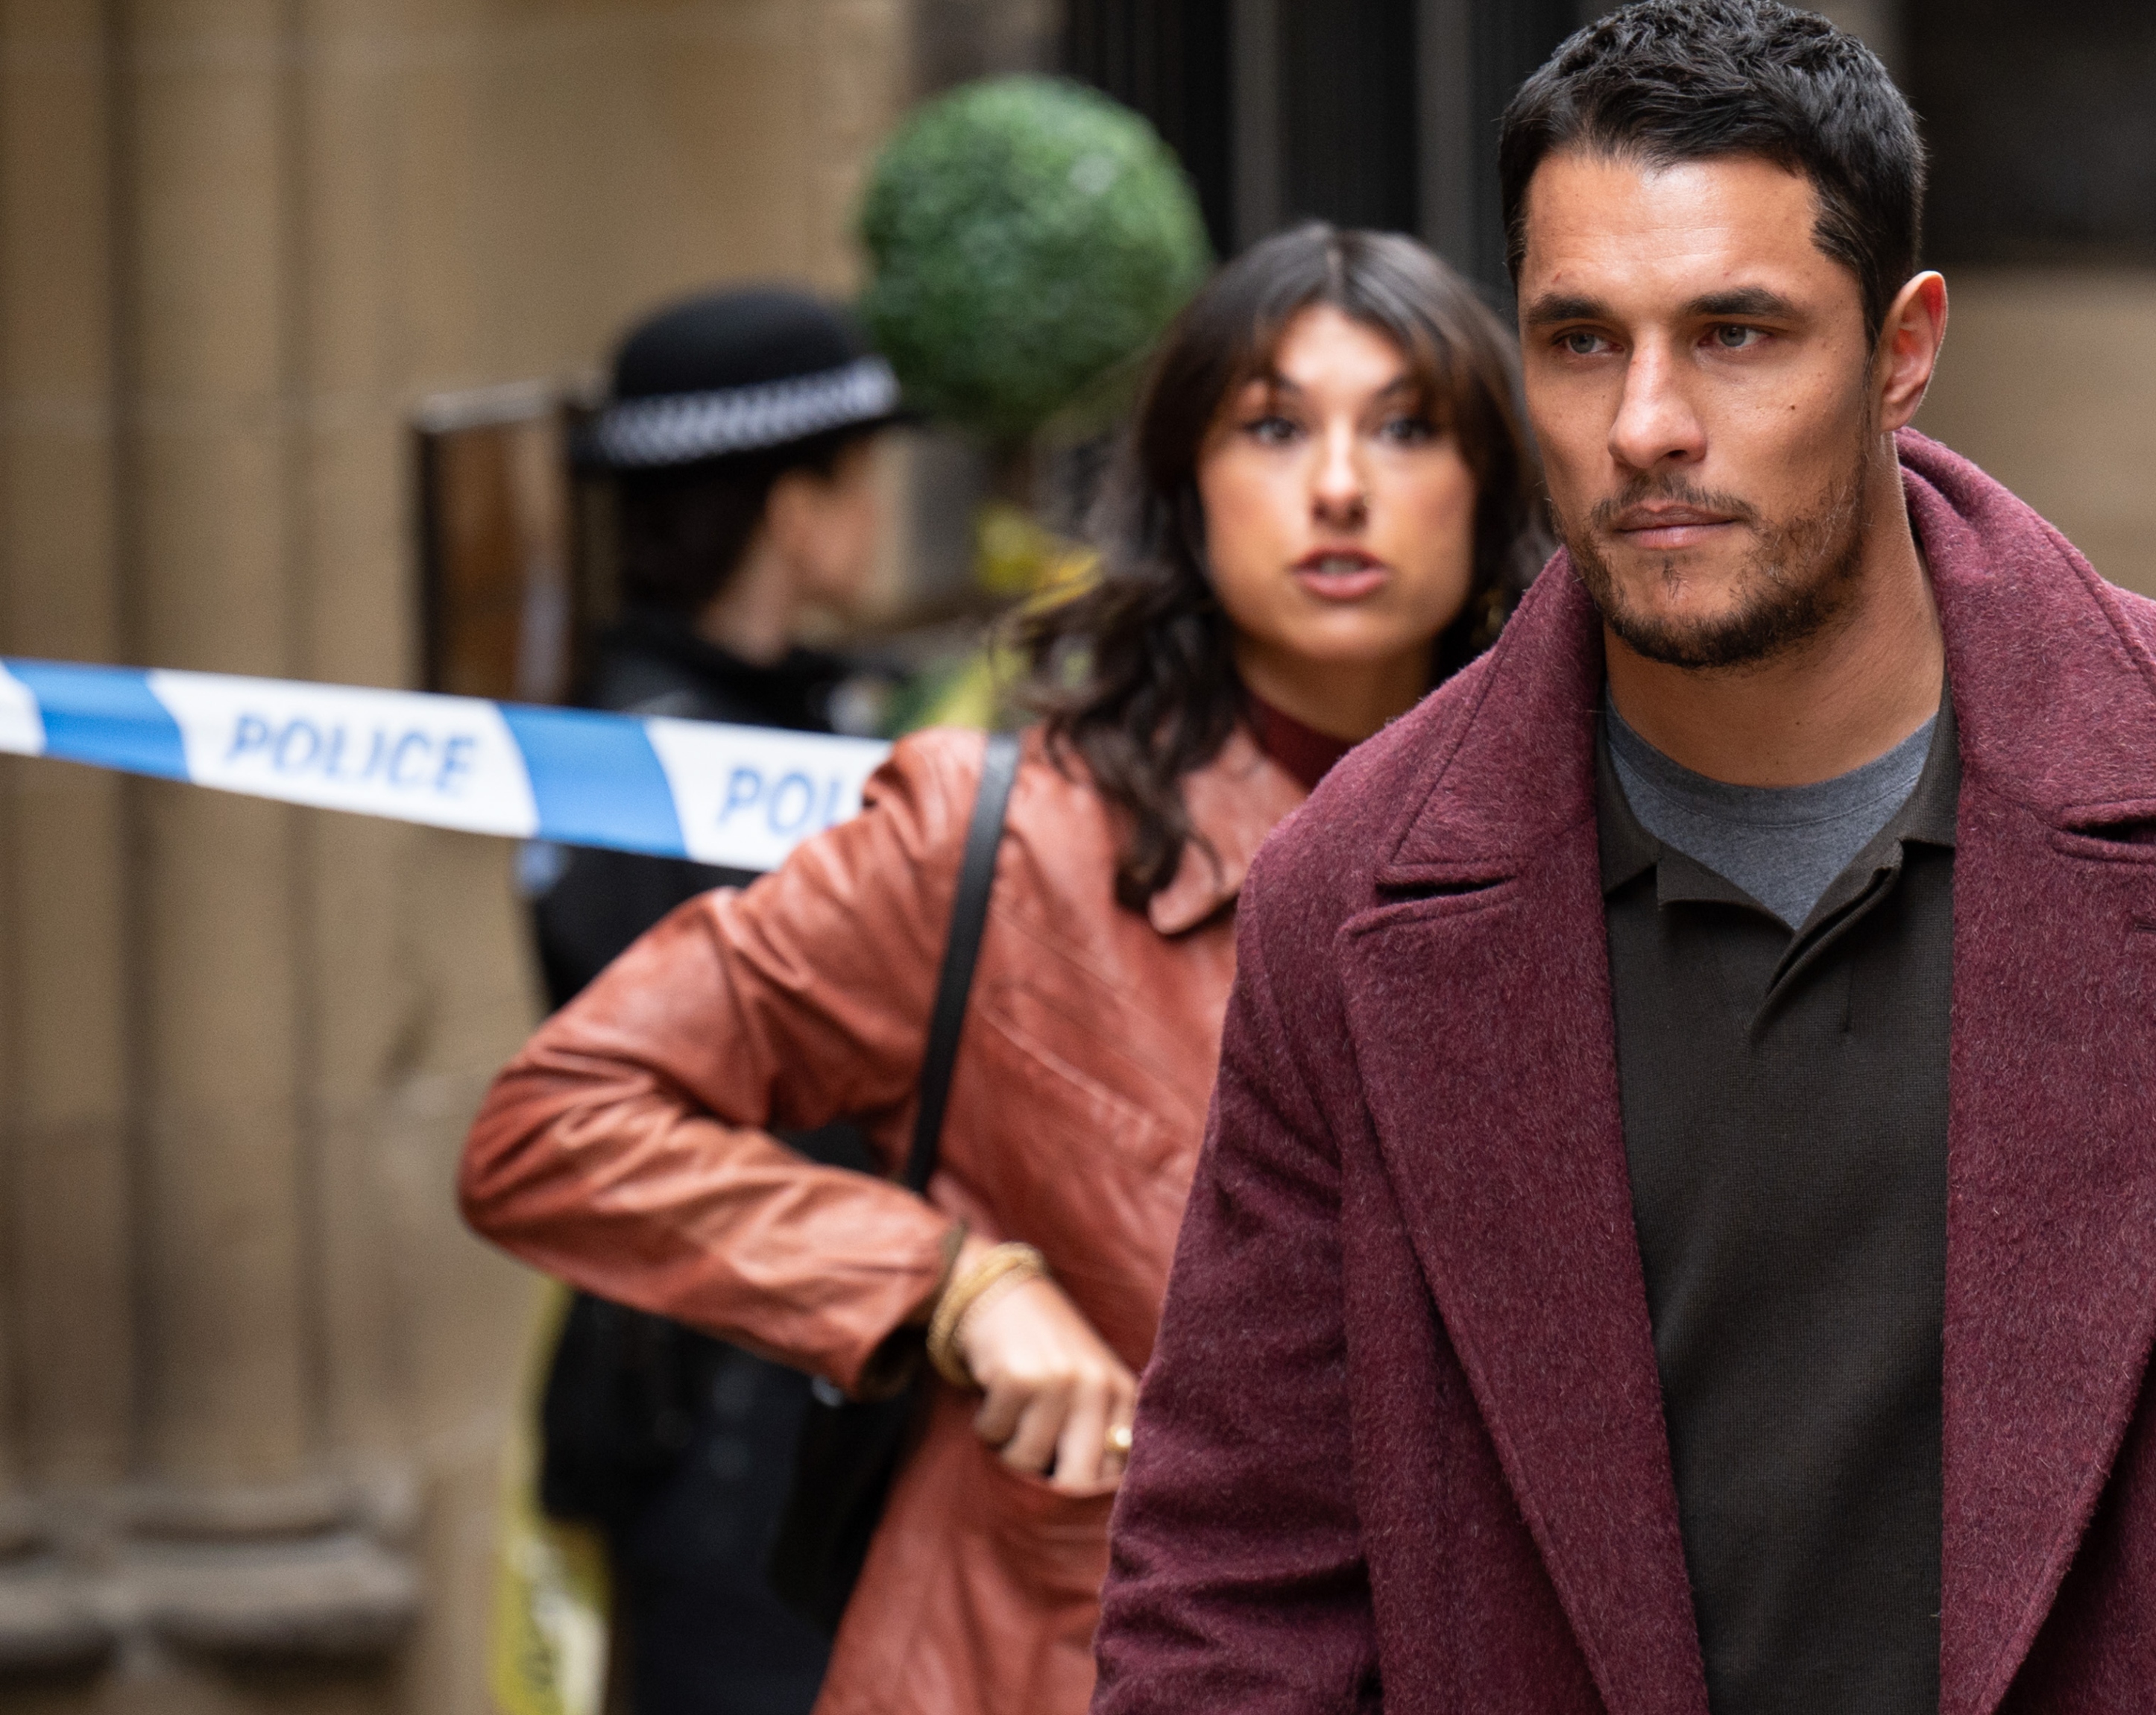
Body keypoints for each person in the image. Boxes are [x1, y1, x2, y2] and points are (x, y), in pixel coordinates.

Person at [1091, 7, 2156, 1713]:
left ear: (1901, 351)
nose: (1646, 422)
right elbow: (1231, 1597)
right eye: (1579, 342)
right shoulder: (1353, 892)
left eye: (1735, 333)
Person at [458, 224, 1542, 1715]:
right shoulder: (1008, 840)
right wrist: (949, 1283)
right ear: (1186, 487)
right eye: (1274, 427)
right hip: (1059, 1656)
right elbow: (555, 1124)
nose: (1341, 484)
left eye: (1407, 427)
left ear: (1489, 486)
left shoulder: (1587, 845)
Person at [520, 283, 903, 1715]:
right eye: (858, 477)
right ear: (793, 510)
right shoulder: (637, 767)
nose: (878, 512)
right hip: (722, 1406)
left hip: (823, 1388)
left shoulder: (809, 715)